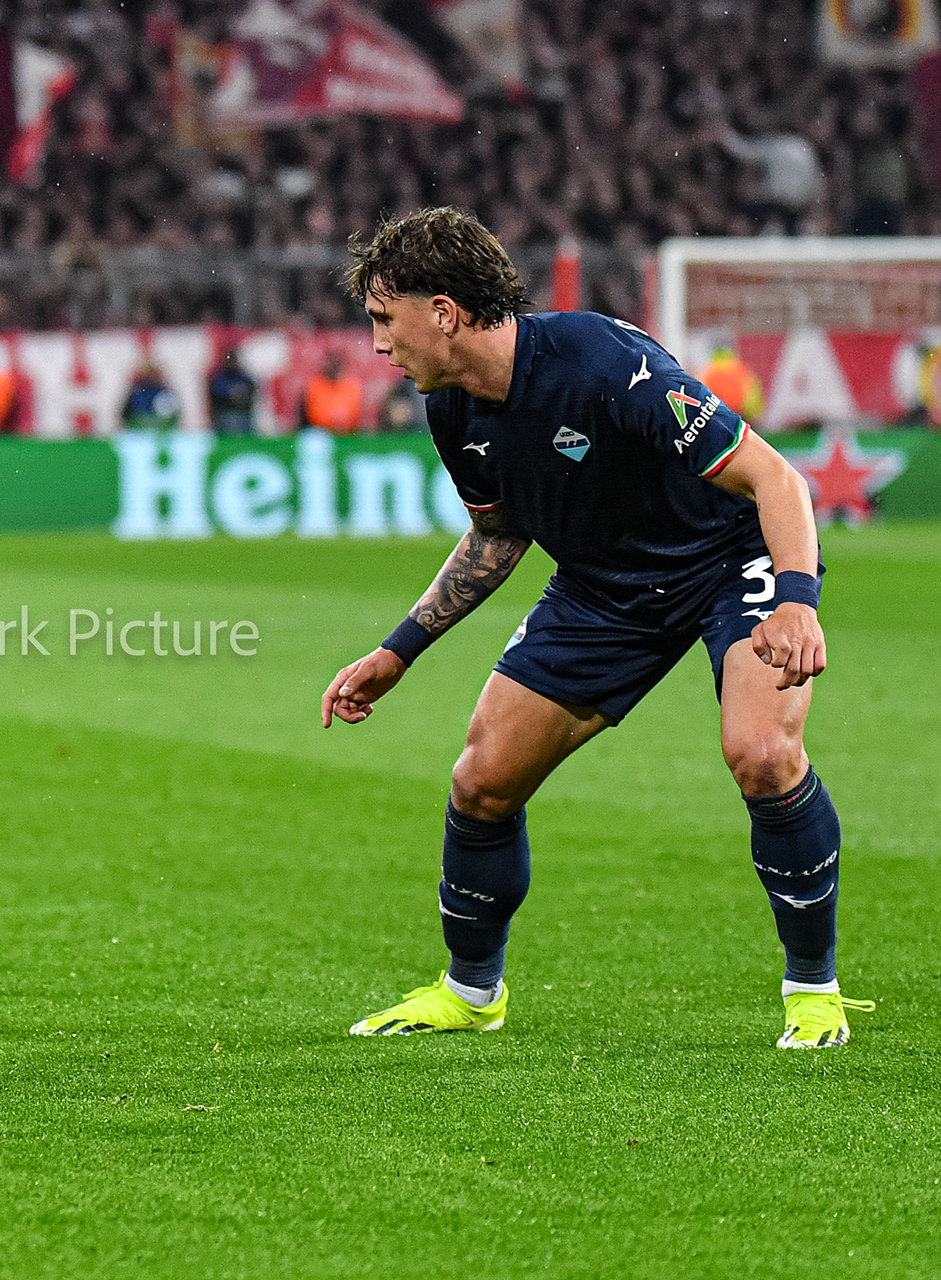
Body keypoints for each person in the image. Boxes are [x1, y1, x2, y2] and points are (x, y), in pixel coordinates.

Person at [320, 207, 864, 1050]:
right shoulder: (452, 408)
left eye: (385, 319)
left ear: (444, 312)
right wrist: (400, 650)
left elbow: (776, 479)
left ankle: (814, 990)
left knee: (762, 754)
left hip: (730, 559)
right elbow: (498, 537)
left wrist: (795, 600)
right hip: (604, 590)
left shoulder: (607, 364)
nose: (379, 344)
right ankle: (471, 992)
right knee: (483, 780)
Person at [300, 351, 363, 433]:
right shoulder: (314, 386)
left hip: (346, 433)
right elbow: (312, 415)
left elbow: (354, 415)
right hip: (319, 433)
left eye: (336, 365)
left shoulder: (352, 387)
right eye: (331, 365)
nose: (334, 369)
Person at [207, 349, 256, 435]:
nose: (231, 363)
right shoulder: (218, 378)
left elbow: (251, 393)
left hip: (242, 415)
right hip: (224, 415)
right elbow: (215, 397)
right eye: (228, 360)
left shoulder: (244, 377)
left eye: (233, 360)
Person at [121, 361, 178, 431]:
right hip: (143, 429)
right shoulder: (136, 393)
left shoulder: (162, 394)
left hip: (141, 429)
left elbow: (172, 417)